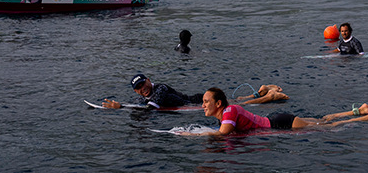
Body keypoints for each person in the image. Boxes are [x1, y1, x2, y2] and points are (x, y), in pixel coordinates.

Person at [184, 87, 368, 136]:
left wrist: (190, 134)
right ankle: (359, 111)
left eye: (206, 101)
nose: (203, 105)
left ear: (218, 103)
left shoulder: (228, 112)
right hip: (276, 120)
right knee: (323, 120)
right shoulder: (226, 113)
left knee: (327, 127)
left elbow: (222, 135)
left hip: (280, 123)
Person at [102, 74, 288, 110]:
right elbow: (143, 105)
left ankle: (270, 97)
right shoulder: (148, 95)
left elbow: (151, 108)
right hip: (197, 100)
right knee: (235, 101)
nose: (143, 89)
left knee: (236, 105)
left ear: (149, 80)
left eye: (144, 84)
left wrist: (121, 107)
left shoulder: (159, 89)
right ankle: (261, 91)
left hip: (196, 102)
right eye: (139, 88)